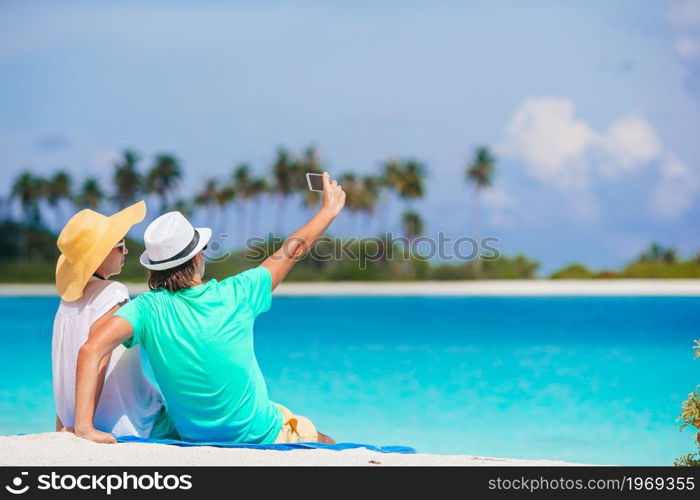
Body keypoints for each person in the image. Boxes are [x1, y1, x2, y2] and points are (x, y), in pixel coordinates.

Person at [73, 172, 346, 444]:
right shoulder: (237, 293)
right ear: (196, 259)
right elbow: (291, 251)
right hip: (260, 433)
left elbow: (89, 350)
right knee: (323, 440)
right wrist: (328, 211)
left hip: (193, 436)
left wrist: (83, 426)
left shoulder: (145, 310)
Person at [52, 201, 177, 439]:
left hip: (75, 418)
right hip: (130, 422)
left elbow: (64, 367)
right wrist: (84, 428)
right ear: (103, 252)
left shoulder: (67, 302)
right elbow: (97, 356)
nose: (126, 252)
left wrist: (64, 423)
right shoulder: (113, 292)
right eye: (121, 246)